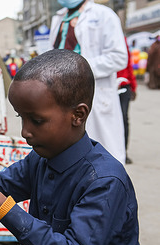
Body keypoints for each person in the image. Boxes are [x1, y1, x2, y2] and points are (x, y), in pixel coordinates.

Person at [0, 49, 154, 245]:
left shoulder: (104, 182)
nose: (25, 131)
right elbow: (2, 187)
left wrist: (5, 210)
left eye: (36, 120)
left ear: (78, 115)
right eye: (21, 117)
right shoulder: (41, 158)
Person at [49, 0, 127, 165]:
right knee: (69, 151)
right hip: (63, 92)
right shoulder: (58, 18)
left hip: (95, 93)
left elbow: (119, 57)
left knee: (105, 153)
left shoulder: (103, 15)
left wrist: (78, 67)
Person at [117, 38, 137, 164]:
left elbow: (128, 63)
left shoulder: (122, 39)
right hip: (105, 87)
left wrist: (133, 86)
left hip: (123, 85)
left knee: (123, 118)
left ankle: (123, 152)